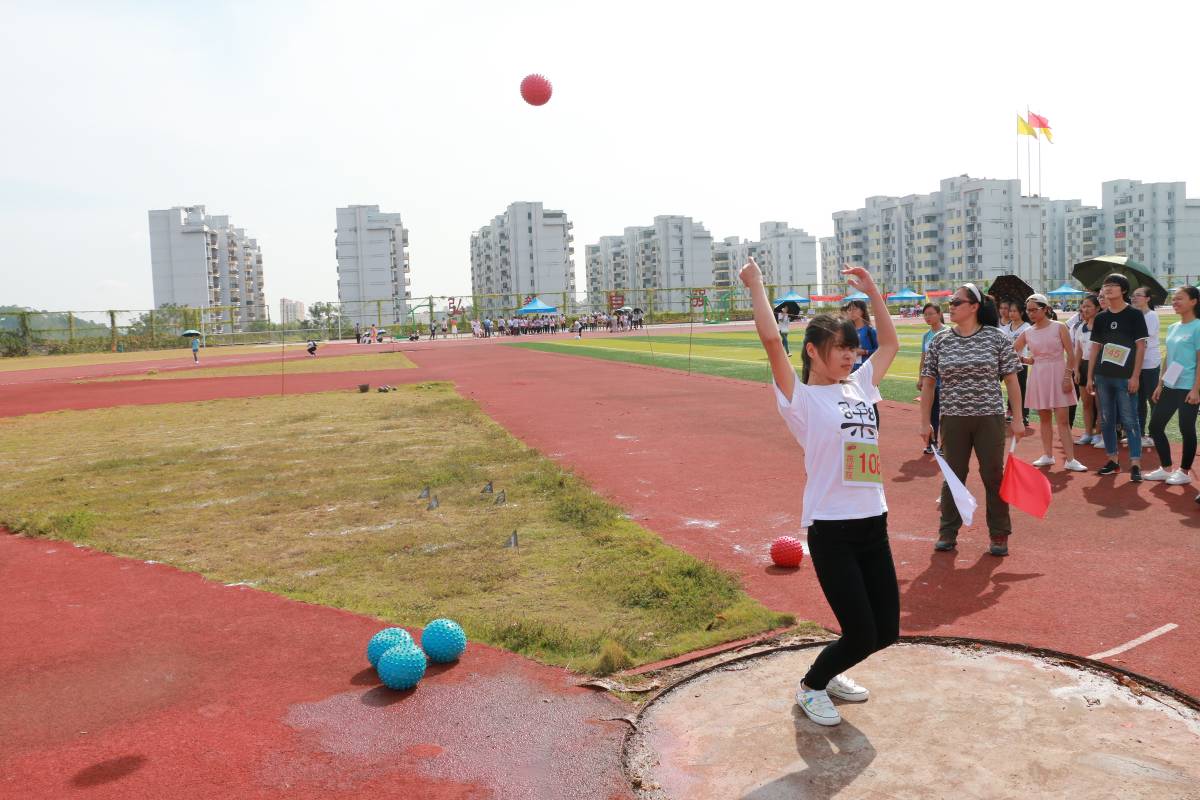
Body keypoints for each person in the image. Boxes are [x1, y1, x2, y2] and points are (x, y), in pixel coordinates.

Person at [740, 256, 899, 728]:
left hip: (874, 520)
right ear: (812, 350)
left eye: (853, 348)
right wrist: (756, 285)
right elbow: (772, 341)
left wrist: (872, 291)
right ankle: (812, 686)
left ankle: (831, 673)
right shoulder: (801, 399)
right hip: (832, 527)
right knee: (861, 631)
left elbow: (889, 343)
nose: (851, 356)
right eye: (840, 349)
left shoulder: (860, 386)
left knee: (886, 631)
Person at [920, 283, 1024, 556]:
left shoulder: (996, 338)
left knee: (993, 475)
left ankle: (999, 533)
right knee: (953, 476)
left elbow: (1012, 380)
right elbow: (928, 383)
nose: (951, 307)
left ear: (974, 306)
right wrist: (924, 421)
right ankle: (947, 531)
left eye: (957, 302)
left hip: (989, 417)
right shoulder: (941, 340)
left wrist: (1018, 418)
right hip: (953, 418)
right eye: (951, 302)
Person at [1013, 294, 1086, 471]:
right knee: (1044, 418)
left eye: (1034, 310)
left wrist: (1068, 377)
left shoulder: (1059, 327)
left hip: (1059, 373)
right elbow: (1011, 351)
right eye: (1028, 310)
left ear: (1045, 309)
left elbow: (1071, 354)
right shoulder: (1027, 332)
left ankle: (1070, 459)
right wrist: (1025, 360)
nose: (1030, 313)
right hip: (1039, 375)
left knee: (1063, 420)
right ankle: (1047, 455)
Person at [1086, 273, 1148, 481]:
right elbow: (1095, 348)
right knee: (1106, 420)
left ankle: (1136, 464)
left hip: (1125, 378)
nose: (1108, 288)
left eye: (1113, 285)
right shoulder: (1101, 318)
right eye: (1105, 285)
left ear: (1123, 290)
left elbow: (1141, 347)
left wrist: (1135, 376)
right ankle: (1112, 460)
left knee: (1130, 421)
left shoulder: (1134, 315)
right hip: (1103, 377)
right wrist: (1090, 377)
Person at [1145, 286, 1200, 485]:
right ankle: (1166, 468)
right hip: (1170, 384)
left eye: (1180, 298)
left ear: (1193, 301)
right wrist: (1160, 384)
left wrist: (1196, 389)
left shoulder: (1198, 327)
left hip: (1189, 387)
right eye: (1173, 299)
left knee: (1186, 428)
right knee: (1155, 426)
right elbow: (1168, 358)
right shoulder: (1173, 327)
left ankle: (1184, 472)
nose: (1175, 302)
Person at [1131, 287, 1161, 450]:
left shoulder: (1151, 316)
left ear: (1148, 299)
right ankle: (1140, 434)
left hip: (1150, 363)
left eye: (1138, 295)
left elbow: (1143, 338)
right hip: (1137, 364)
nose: (1134, 298)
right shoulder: (1135, 315)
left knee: (1152, 398)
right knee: (1138, 400)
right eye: (1133, 295)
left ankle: (1155, 434)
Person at [1072, 294, 1101, 446]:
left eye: (1089, 306)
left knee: (1100, 404)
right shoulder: (1080, 328)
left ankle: (1099, 433)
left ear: (1097, 308)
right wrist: (1076, 370)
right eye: (1083, 306)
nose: (1085, 309)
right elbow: (1078, 351)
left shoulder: (1102, 327)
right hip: (1084, 366)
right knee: (1086, 403)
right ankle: (1088, 433)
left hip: (1099, 367)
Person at [999, 300, 1032, 431]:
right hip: (1005, 362)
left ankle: (1024, 415)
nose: (1011, 313)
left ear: (1021, 313)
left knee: (1021, 389)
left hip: (1020, 363)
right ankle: (1008, 411)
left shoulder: (1026, 327)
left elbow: (1024, 345)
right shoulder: (1006, 327)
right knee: (1004, 386)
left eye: (1014, 311)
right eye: (1010, 311)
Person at [917, 303, 945, 455]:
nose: (927, 317)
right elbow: (923, 358)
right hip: (930, 381)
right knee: (932, 413)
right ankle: (932, 444)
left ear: (939, 314)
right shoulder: (926, 336)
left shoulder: (948, 332)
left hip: (946, 380)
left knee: (946, 414)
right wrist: (920, 378)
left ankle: (946, 445)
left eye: (930, 314)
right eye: (925, 314)